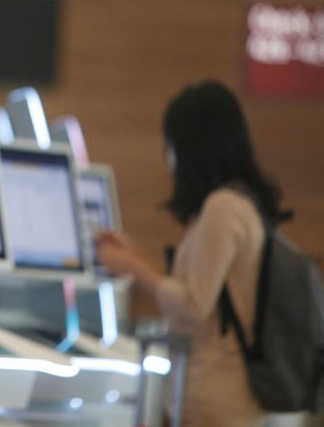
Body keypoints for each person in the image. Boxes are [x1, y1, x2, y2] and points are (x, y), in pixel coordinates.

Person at [97, 80, 287, 427]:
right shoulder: (237, 205)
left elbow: (195, 307)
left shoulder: (223, 207)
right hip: (222, 395)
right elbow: (202, 289)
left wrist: (137, 268)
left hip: (220, 398)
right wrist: (136, 255)